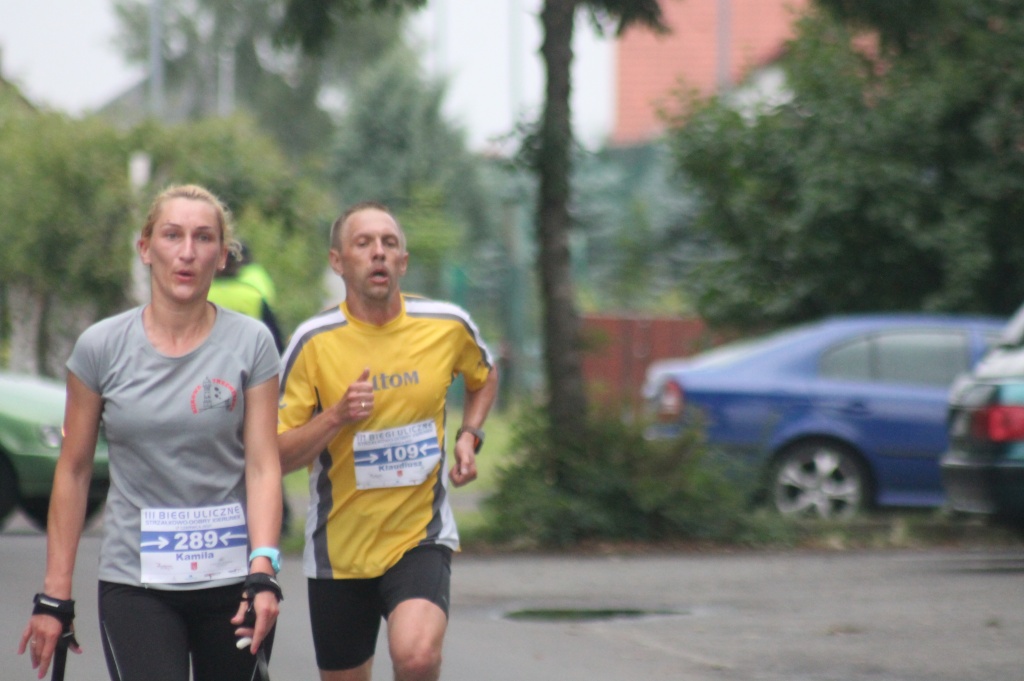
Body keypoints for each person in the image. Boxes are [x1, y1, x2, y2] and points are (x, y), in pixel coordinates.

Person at [19, 184, 284, 681]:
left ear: (222, 254)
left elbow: (263, 465)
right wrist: (55, 596)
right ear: (145, 248)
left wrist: (264, 570)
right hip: (136, 581)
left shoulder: (251, 343)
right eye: (172, 235)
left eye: (204, 238)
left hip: (231, 582)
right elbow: (73, 471)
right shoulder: (101, 347)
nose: (187, 252)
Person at [277, 201, 499, 681]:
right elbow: (275, 457)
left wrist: (469, 436)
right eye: (363, 244)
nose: (378, 253)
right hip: (340, 551)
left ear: (403, 261)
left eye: (389, 243)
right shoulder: (313, 342)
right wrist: (335, 416)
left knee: (416, 657)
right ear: (338, 261)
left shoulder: (446, 325)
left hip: (419, 537)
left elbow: (484, 375)